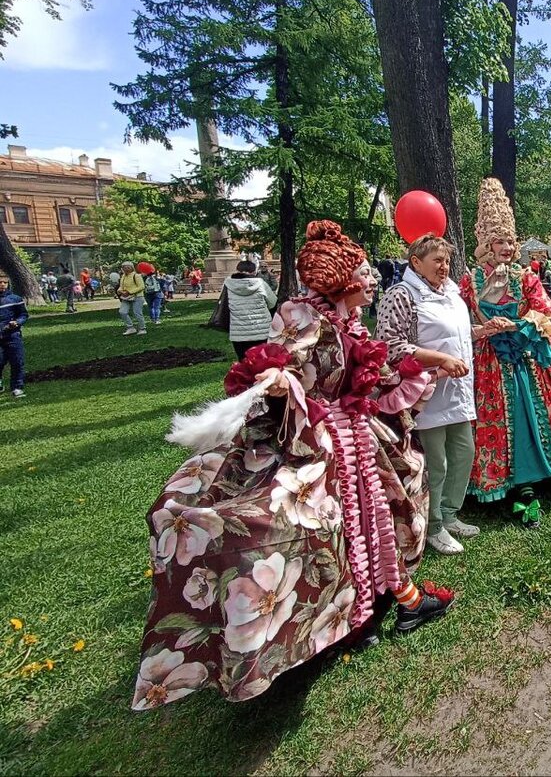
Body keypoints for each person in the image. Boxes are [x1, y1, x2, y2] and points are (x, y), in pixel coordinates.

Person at [133, 220, 451, 711]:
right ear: (344, 281)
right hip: (321, 439)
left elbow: (375, 371)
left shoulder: (347, 321)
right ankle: (356, 619)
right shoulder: (307, 318)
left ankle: (390, 600)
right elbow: (283, 356)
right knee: (320, 527)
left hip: (356, 435)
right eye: (364, 275)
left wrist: (419, 363)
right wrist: (279, 377)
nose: (371, 283)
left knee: (388, 506)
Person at [460, 179, 551, 528]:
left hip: (524, 352)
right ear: (486, 245)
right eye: (500, 241)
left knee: (531, 410)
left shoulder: (526, 277)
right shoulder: (470, 281)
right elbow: (461, 317)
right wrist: (481, 330)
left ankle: (536, 473)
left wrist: (516, 325)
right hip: (488, 359)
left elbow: (545, 310)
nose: (507, 247)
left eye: (510, 241)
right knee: (494, 416)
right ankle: (499, 478)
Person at [376, 234, 479, 556]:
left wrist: (484, 331)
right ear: (416, 262)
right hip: (425, 394)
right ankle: (433, 526)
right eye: (437, 260)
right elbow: (389, 345)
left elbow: (455, 336)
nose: (444, 266)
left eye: (447, 260)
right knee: (437, 463)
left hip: (457, 392)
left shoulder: (450, 293)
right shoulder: (402, 294)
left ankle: (450, 514)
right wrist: (440, 360)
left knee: (464, 453)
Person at [224, 259, 278, 360]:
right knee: (263, 362)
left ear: (237, 270)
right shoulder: (260, 283)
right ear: (254, 271)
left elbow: (225, 305)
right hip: (261, 330)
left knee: (244, 363)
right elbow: (273, 303)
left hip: (238, 332)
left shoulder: (228, 284)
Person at [0, 273, 28, 398]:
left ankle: (17, 387)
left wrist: (17, 322)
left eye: (4, 283)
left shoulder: (15, 299)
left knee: (17, 361)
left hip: (12, 335)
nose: (2, 285)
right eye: (0, 283)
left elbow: (23, 315)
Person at [116, 262, 147, 335]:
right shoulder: (123, 276)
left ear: (132, 268)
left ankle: (142, 328)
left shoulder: (136, 276)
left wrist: (130, 292)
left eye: (128, 267)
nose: (126, 269)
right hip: (126, 297)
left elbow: (142, 286)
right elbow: (121, 286)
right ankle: (130, 327)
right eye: (124, 267)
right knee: (122, 312)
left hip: (138, 296)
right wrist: (120, 291)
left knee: (137, 313)